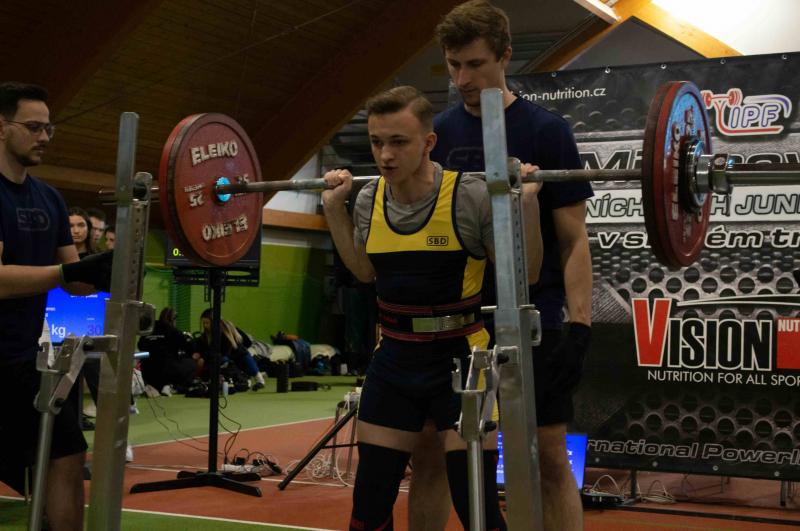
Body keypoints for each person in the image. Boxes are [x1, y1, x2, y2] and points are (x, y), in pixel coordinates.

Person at [408, 3, 595, 530]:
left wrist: (580, 325)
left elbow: (573, 239)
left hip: (536, 313)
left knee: (548, 455)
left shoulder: (546, 130)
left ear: (505, 56)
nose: (462, 79)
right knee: (432, 452)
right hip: (457, 315)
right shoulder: (437, 136)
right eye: (453, 65)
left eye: (475, 64)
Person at [321, 85, 541, 531]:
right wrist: (332, 210)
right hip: (394, 360)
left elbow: (527, 274)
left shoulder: (470, 196)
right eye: (377, 142)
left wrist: (527, 205)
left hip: (462, 361)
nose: (385, 155)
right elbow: (364, 271)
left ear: (428, 142)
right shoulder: (367, 199)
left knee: (476, 509)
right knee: (367, 511)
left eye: (398, 142)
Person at [0, 81, 113, 531]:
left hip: (33, 359)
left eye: (49, 128)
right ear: (1, 127)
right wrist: (65, 274)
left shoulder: (49, 197)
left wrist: (109, 272)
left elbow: (76, 279)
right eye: (33, 127)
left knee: (67, 456)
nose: (44, 137)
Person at [195, 308, 266, 391]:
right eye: (204, 323)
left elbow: (247, 342)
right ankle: (243, 377)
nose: (205, 325)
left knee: (245, 357)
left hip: (236, 355)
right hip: (227, 358)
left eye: (207, 323)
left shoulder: (228, 329)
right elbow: (205, 347)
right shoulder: (207, 335)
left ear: (214, 322)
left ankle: (260, 380)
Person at [137, 307, 198, 395]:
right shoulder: (173, 331)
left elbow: (140, 345)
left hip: (147, 371)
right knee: (191, 364)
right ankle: (173, 386)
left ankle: (153, 385)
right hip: (166, 369)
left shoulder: (150, 329)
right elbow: (189, 347)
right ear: (173, 320)